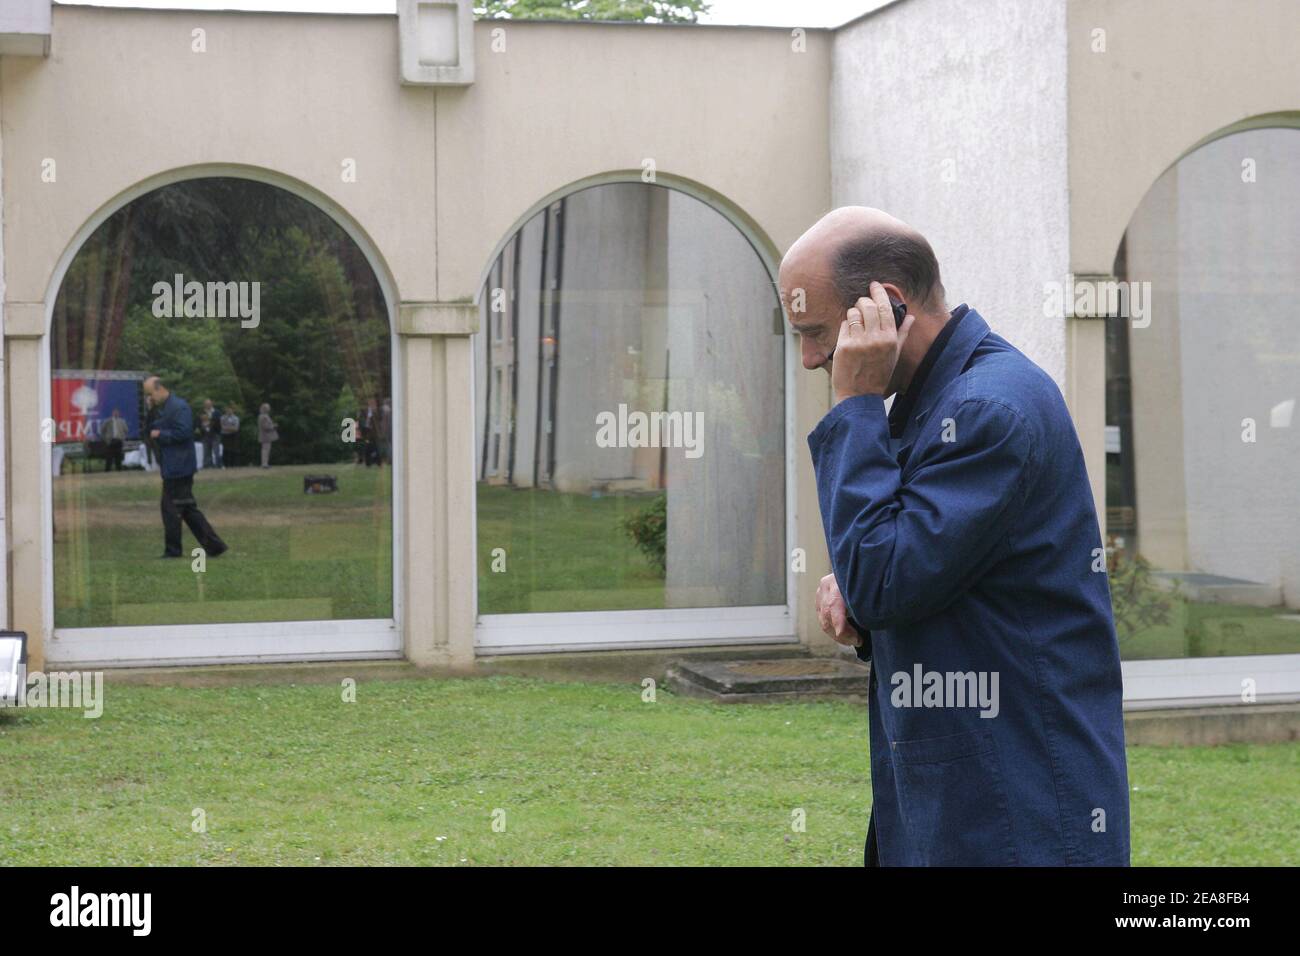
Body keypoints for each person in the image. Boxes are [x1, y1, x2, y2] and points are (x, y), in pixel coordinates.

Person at [779, 206, 1129, 866]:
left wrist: (854, 405)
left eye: (815, 331)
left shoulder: (984, 409)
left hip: (1013, 808)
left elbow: (885, 581)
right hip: (967, 796)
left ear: (885, 305)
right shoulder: (941, 403)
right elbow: (913, 570)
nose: (809, 359)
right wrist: (860, 586)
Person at [143, 375, 227, 559]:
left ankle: (174, 551)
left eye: (150, 394)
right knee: (187, 509)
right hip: (172, 466)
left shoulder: (179, 407)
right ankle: (214, 546)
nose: (150, 398)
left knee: (171, 509)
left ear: (159, 388)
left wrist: (161, 434)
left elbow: (184, 432)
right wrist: (150, 412)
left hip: (180, 466)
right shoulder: (162, 409)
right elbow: (149, 431)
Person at [100, 407, 129, 472]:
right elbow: (102, 430)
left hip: (119, 440)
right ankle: (107, 470)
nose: (116, 413)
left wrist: (123, 438)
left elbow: (126, 430)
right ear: (112, 413)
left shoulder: (122, 421)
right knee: (109, 457)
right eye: (114, 412)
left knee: (118, 456)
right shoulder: (108, 421)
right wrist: (106, 439)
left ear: (119, 413)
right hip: (110, 441)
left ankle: (119, 470)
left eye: (117, 412)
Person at [258, 403, 278, 468]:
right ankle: (264, 464)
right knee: (265, 450)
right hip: (265, 436)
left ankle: (265, 463)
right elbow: (265, 427)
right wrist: (273, 426)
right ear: (264, 408)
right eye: (267, 408)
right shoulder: (263, 416)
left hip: (266, 436)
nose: (269, 409)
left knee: (266, 450)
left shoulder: (264, 415)